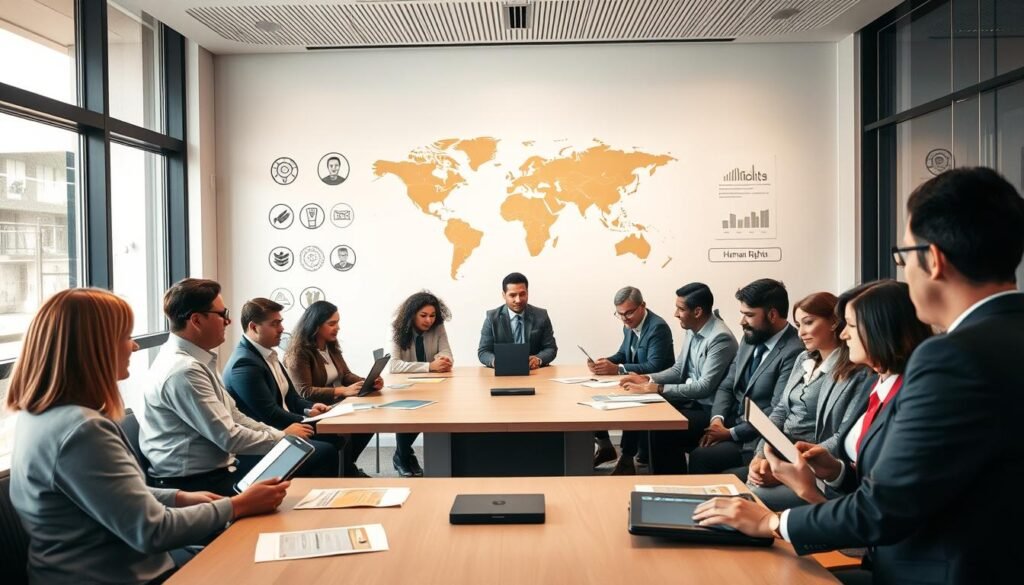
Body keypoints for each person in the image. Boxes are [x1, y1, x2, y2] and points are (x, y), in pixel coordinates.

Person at [693, 167, 1024, 585]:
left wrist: (773, 524)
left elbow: (886, 507)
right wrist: (836, 471)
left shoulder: (951, 358)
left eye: (903, 258)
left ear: (933, 260)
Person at [7, 288, 287, 585]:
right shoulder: (83, 430)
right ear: (95, 346)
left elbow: (109, 496)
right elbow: (151, 531)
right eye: (125, 336)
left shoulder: (39, 416)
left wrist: (177, 498)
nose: (135, 346)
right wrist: (237, 505)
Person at [140, 279, 314, 496]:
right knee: (299, 483)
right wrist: (281, 438)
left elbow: (234, 416)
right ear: (196, 320)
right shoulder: (183, 371)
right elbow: (229, 437)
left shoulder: (196, 361)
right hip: (194, 485)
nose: (228, 321)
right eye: (222, 314)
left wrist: (278, 435)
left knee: (300, 471)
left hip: (217, 472)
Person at [747, 291, 871, 511]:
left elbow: (841, 437)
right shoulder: (803, 359)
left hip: (816, 466)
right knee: (747, 486)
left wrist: (792, 468)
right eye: (798, 324)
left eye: (808, 323)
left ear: (834, 322)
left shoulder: (857, 373)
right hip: (782, 453)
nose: (801, 332)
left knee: (752, 496)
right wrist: (759, 456)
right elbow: (781, 410)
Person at [686, 278, 804, 479]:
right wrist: (717, 420)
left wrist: (730, 433)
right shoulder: (750, 337)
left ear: (772, 315)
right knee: (667, 431)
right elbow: (727, 385)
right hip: (730, 419)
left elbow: (776, 410)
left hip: (755, 437)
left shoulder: (794, 351)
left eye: (749, 315)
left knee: (701, 457)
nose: (742, 322)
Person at [616, 282, 737, 474]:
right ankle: (661, 479)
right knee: (652, 415)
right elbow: (679, 370)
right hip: (693, 402)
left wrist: (658, 388)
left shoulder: (720, 338)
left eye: (680, 309)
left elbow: (704, 387)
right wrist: (647, 379)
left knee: (662, 429)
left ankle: (671, 484)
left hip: (711, 410)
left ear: (697, 312)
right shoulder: (692, 329)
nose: (675, 314)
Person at [223, 297, 345, 478]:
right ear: (254, 327)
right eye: (274, 324)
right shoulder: (244, 364)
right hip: (264, 439)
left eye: (280, 322)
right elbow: (269, 414)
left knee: (338, 435)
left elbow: (292, 397)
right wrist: (305, 420)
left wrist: (310, 408)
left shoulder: (267, 354)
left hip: (281, 426)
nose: (281, 329)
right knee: (326, 450)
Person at [284, 300, 377, 477]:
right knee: (355, 426)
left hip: (337, 405)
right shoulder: (299, 352)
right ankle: (347, 470)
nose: (338, 328)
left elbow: (346, 375)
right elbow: (304, 391)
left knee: (370, 421)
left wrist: (367, 382)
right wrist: (341, 391)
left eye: (338, 323)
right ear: (315, 325)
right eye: (332, 324)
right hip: (315, 409)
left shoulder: (330, 346)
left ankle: (348, 466)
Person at [591, 286, 675, 468]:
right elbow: (623, 354)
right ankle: (606, 446)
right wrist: (604, 363)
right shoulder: (629, 326)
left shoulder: (657, 328)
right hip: (638, 384)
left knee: (630, 401)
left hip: (658, 387)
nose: (624, 318)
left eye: (628, 313)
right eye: (619, 314)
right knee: (594, 399)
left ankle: (626, 459)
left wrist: (617, 369)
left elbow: (655, 367)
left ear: (642, 306)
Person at [388, 291, 454, 477]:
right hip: (404, 386)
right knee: (411, 410)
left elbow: (447, 353)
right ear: (412, 315)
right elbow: (393, 365)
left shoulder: (438, 328)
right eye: (423, 315)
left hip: (432, 384)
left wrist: (444, 359)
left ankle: (403, 454)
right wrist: (430, 366)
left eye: (432, 315)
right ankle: (403, 455)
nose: (429, 320)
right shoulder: (397, 329)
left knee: (435, 407)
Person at [478, 272, 557, 369]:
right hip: (503, 375)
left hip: (534, 373)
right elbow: (483, 351)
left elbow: (550, 348)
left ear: (527, 293)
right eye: (512, 295)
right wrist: (495, 361)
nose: (518, 300)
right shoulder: (492, 317)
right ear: (504, 295)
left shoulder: (541, 316)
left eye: (522, 294)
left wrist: (538, 359)